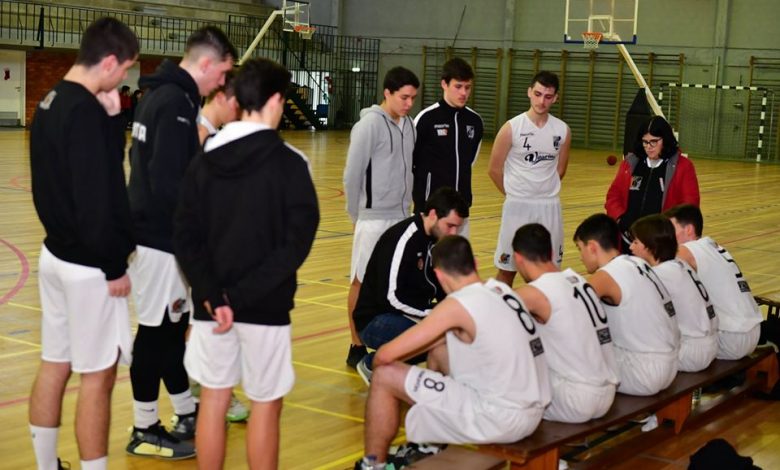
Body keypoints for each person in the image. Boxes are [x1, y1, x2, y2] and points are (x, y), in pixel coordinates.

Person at [174, 57, 319, 470]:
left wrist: (212, 294)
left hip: (211, 307)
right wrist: (238, 297)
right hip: (265, 306)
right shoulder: (291, 164)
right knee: (266, 405)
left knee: (214, 400)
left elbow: (184, 236)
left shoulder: (203, 159)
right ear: (275, 100)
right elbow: (295, 245)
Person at [28, 17, 138, 470]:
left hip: (54, 253)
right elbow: (99, 195)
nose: (125, 79)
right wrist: (114, 266)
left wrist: (111, 121)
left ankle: (46, 465)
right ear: (108, 62)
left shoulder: (50, 100)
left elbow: (73, 179)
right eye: (125, 69)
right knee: (98, 375)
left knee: (55, 362)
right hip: (90, 266)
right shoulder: (85, 113)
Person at [126, 26, 236, 459]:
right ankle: (143, 427)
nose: (222, 83)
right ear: (206, 63)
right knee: (155, 334)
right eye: (222, 73)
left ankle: (185, 410)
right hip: (159, 240)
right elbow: (168, 183)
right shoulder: (173, 103)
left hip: (163, 237)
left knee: (172, 329)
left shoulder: (165, 96)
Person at [355, 235, 550, 470]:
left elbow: (383, 357)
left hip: (500, 418)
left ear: (438, 274)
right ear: (475, 263)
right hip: (534, 410)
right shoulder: (503, 291)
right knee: (439, 351)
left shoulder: (457, 304)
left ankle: (372, 465)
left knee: (385, 376)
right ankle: (430, 445)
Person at [343, 66, 420, 369]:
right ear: (387, 93)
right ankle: (356, 344)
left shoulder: (409, 125)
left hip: (401, 217)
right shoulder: (369, 125)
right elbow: (352, 174)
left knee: (394, 282)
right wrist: (356, 215)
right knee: (361, 281)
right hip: (373, 218)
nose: (409, 103)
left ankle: (391, 344)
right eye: (404, 97)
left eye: (413, 98)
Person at [352, 187, 467, 384]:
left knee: (451, 332)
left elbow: (439, 287)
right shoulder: (404, 238)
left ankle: (432, 385)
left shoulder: (435, 240)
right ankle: (372, 364)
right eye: (450, 226)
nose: (453, 233)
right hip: (376, 319)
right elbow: (390, 297)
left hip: (406, 313)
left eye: (457, 227)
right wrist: (432, 315)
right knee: (434, 338)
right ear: (433, 215)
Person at [512, 223, 618, 423]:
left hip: (574, 399)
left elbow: (492, 311)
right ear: (551, 253)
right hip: (606, 391)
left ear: (518, 258)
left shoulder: (537, 291)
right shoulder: (580, 280)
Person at [573, 213, 680, 396]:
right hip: (670, 364)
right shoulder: (637, 262)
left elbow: (570, 309)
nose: (580, 257)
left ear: (592, 247)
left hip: (642, 372)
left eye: (579, 248)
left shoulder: (606, 275)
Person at [489, 71, 571, 286]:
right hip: (517, 205)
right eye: (538, 94)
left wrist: (542, 191)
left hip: (549, 206)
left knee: (549, 271)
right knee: (507, 269)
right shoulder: (511, 128)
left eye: (548, 96)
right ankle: (499, 306)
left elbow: (561, 170)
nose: (542, 101)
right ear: (529, 92)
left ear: (556, 98)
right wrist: (514, 193)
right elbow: (494, 170)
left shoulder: (562, 130)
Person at [665, 204, 762, 360]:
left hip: (730, 337)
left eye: (671, 230)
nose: (667, 237)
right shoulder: (713, 247)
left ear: (688, 230)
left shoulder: (687, 250)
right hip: (751, 331)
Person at [629, 214, 719, 372]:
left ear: (651, 246)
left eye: (636, 242)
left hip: (690, 352)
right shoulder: (679, 264)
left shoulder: (659, 274)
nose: (631, 247)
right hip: (708, 343)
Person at [606, 115, 700, 253]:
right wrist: (620, 218)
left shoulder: (683, 167)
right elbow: (613, 195)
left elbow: (690, 206)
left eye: (654, 142)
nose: (648, 147)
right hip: (627, 242)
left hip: (660, 246)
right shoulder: (630, 163)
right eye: (645, 142)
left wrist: (667, 231)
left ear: (665, 140)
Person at [412, 57, 483, 236]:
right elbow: (411, 162)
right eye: (458, 86)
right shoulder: (426, 119)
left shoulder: (475, 122)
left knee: (458, 254)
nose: (463, 93)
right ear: (444, 84)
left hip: (461, 211)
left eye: (467, 87)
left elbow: (470, 161)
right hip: (430, 211)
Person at [197, 69, 239, 144]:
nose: (240, 111)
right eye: (236, 103)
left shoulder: (208, 132)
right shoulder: (201, 135)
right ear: (220, 98)